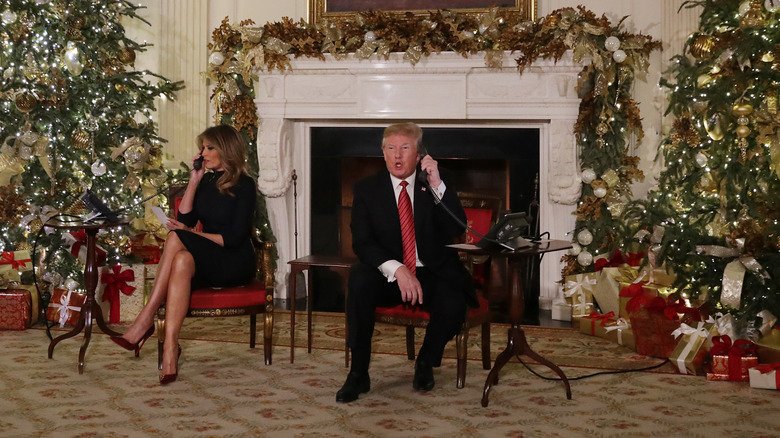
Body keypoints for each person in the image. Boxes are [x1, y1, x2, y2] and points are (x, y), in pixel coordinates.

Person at [337, 122, 477, 403]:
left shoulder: (436, 181)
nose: (397, 156)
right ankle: (358, 373)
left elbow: (454, 228)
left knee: (454, 300)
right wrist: (398, 269)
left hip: (431, 270)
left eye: (405, 148)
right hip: (389, 274)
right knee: (359, 279)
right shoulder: (366, 189)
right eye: (391, 149)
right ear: (383, 153)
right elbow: (362, 243)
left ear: (419, 155)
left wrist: (436, 183)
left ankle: (426, 362)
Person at [110, 124, 258, 384]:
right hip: (207, 257)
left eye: (210, 147)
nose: (203, 153)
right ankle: (170, 350)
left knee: (178, 237)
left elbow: (234, 238)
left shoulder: (245, 185)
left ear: (226, 149)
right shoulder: (207, 180)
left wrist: (192, 234)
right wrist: (194, 180)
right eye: (202, 147)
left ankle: (145, 319)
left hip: (234, 261)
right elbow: (185, 218)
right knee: (181, 259)